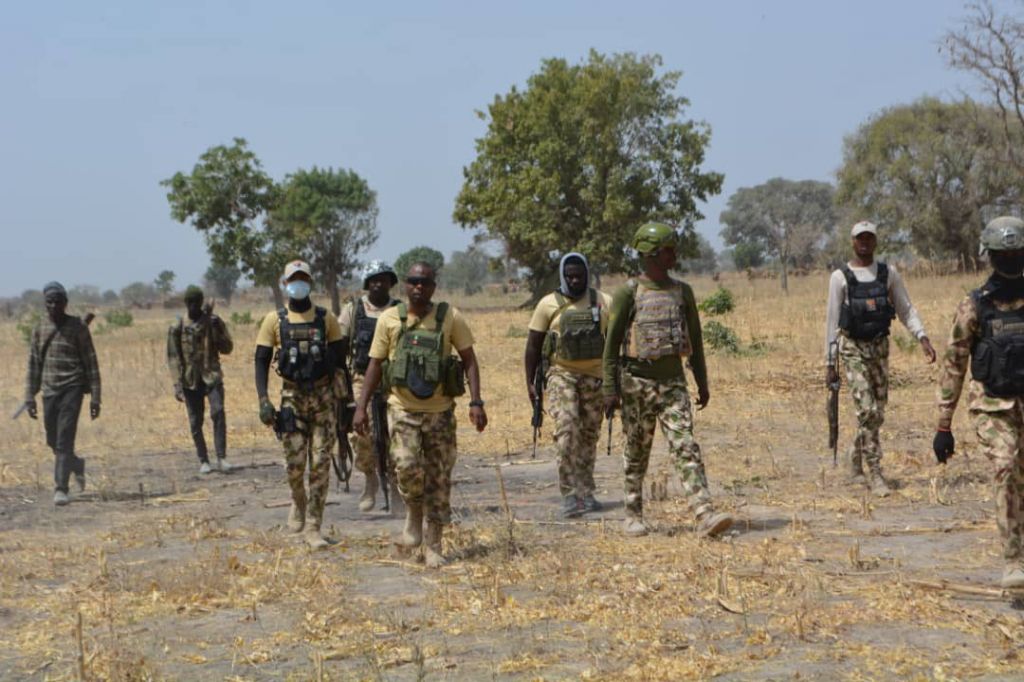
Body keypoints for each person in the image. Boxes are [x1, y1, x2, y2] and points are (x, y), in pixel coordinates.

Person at [602, 223, 733, 538]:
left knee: (685, 445)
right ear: (650, 254)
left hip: (673, 382)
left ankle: (704, 513)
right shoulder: (627, 293)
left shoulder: (682, 291)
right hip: (636, 382)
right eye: (668, 250)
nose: (674, 254)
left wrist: (702, 382)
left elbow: (696, 341)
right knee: (636, 449)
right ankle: (632, 514)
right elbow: (611, 344)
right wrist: (610, 388)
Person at [353, 261, 487, 567]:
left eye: (425, 282)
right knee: (406, 466)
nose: (418, 287)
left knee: (439, 477)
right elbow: (374, 365)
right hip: (402, 410)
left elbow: (470, 360)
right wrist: (360, 407)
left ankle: (434, 543)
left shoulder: (450, 317)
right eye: (413, 281)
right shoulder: (390, 319)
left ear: (433, 287)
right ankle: (413, 514)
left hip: (440, 412)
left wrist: (476, 402)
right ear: (405, 285)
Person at [934, 216, 1024, 588]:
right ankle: (1014, 560)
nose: (1010, 260)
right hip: (992, 406)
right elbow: (954, 364)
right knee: (1006, 465)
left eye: (1015, 253)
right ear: (990, 257)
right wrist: (943, 425)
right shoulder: (974, 307)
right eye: (1003, 255)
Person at [825, 221, 936, 496]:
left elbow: (905, 309)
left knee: (878, 412)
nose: (864, 242)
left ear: (875, 242)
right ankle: (875, 473)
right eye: (860, 238)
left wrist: (922, 337)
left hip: (880, 350)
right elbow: (831, 321)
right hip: (852, 350)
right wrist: (830, 362)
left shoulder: (888, 274)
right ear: (852, 242)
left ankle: (856, 453)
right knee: (867, 410)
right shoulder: (840, 277)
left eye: (869, 238)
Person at [255, 261, 347, 550]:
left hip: (323, 399)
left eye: (303, 278)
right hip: (291, 399)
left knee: (320, 464)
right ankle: (298, 501)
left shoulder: (325, 318)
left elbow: (340, 361)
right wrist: (263, 400)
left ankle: (314, 526)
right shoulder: (274, 320)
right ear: (285, 284)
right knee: (295, 465)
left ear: (310, 281)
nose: (299, 283)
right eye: (293, 279)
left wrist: (346, 403)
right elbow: (260, 360)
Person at [524, 252, 612, 517]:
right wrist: (530, 383)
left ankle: (586, 489)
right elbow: (533, 346)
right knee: (567, 431)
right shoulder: (548, 304)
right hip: (561, 375)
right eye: (570, 276)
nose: (575, 280)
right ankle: (569, 494)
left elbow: (616, 344)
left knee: (588, 435)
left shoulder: (603, 301)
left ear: (587, 274)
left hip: (595, 377)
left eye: (579, 275)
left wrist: (614, 385)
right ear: (562, 276)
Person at [22, 282, 101, 506]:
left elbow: (91, 363)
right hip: (49, 391)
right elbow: (34, 365)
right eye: (50, 301)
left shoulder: (78, 327)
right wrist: (29, 395)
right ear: (45, 303)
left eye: (58, 301)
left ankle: (61, 488)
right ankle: (76, 464)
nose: (54, 305)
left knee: (65, 439)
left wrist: (95, 397)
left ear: (66, 303)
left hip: (72, 388)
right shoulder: (39, 329)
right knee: (52, 440)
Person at [336, 260, 401, 512]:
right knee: (362, 436)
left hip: (393, 381)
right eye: (373, 279)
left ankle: (395, 487)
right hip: (362, 379)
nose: (378, 284)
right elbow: (340, 350)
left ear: (390, 282)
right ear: (367, 283)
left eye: (383, 279)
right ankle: (370, 479)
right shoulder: (353, 309)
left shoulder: (399, 310)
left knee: (395, 436)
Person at [167, 285, 234, 474]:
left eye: (197, 302)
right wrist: (177, 384)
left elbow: (228, 348)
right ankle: (204, 459)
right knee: (196, 422)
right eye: (190, 302)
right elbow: (173, 357)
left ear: (201, 302)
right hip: (190, 380)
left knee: (218, 412)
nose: (193, 306)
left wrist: (215, 329)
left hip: (211, 376)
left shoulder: (212, 322)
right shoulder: (178, 326)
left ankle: (221, 457)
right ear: (186, 303)